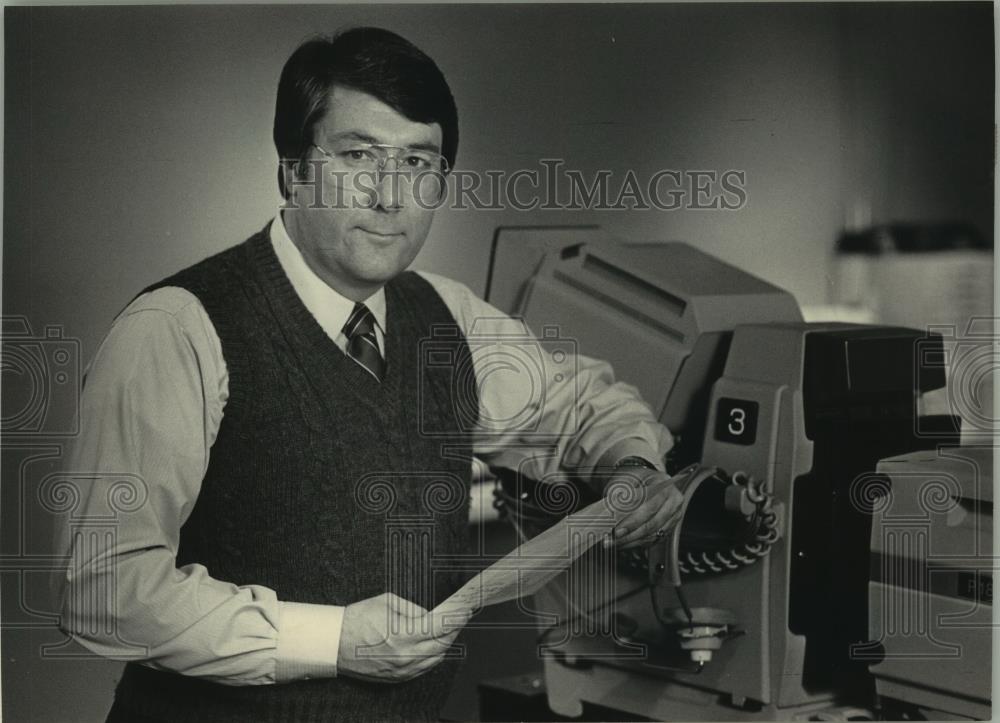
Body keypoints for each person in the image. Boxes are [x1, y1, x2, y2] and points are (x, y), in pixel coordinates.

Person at [56, 26, 682, 722]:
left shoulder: (445, 316)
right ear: (292, 171)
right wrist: (334, 641)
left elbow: (581, 406)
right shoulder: (177, 328)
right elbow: (103, 587)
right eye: (360, 156)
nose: (392, 196)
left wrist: (633, 466)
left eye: (419, 162)